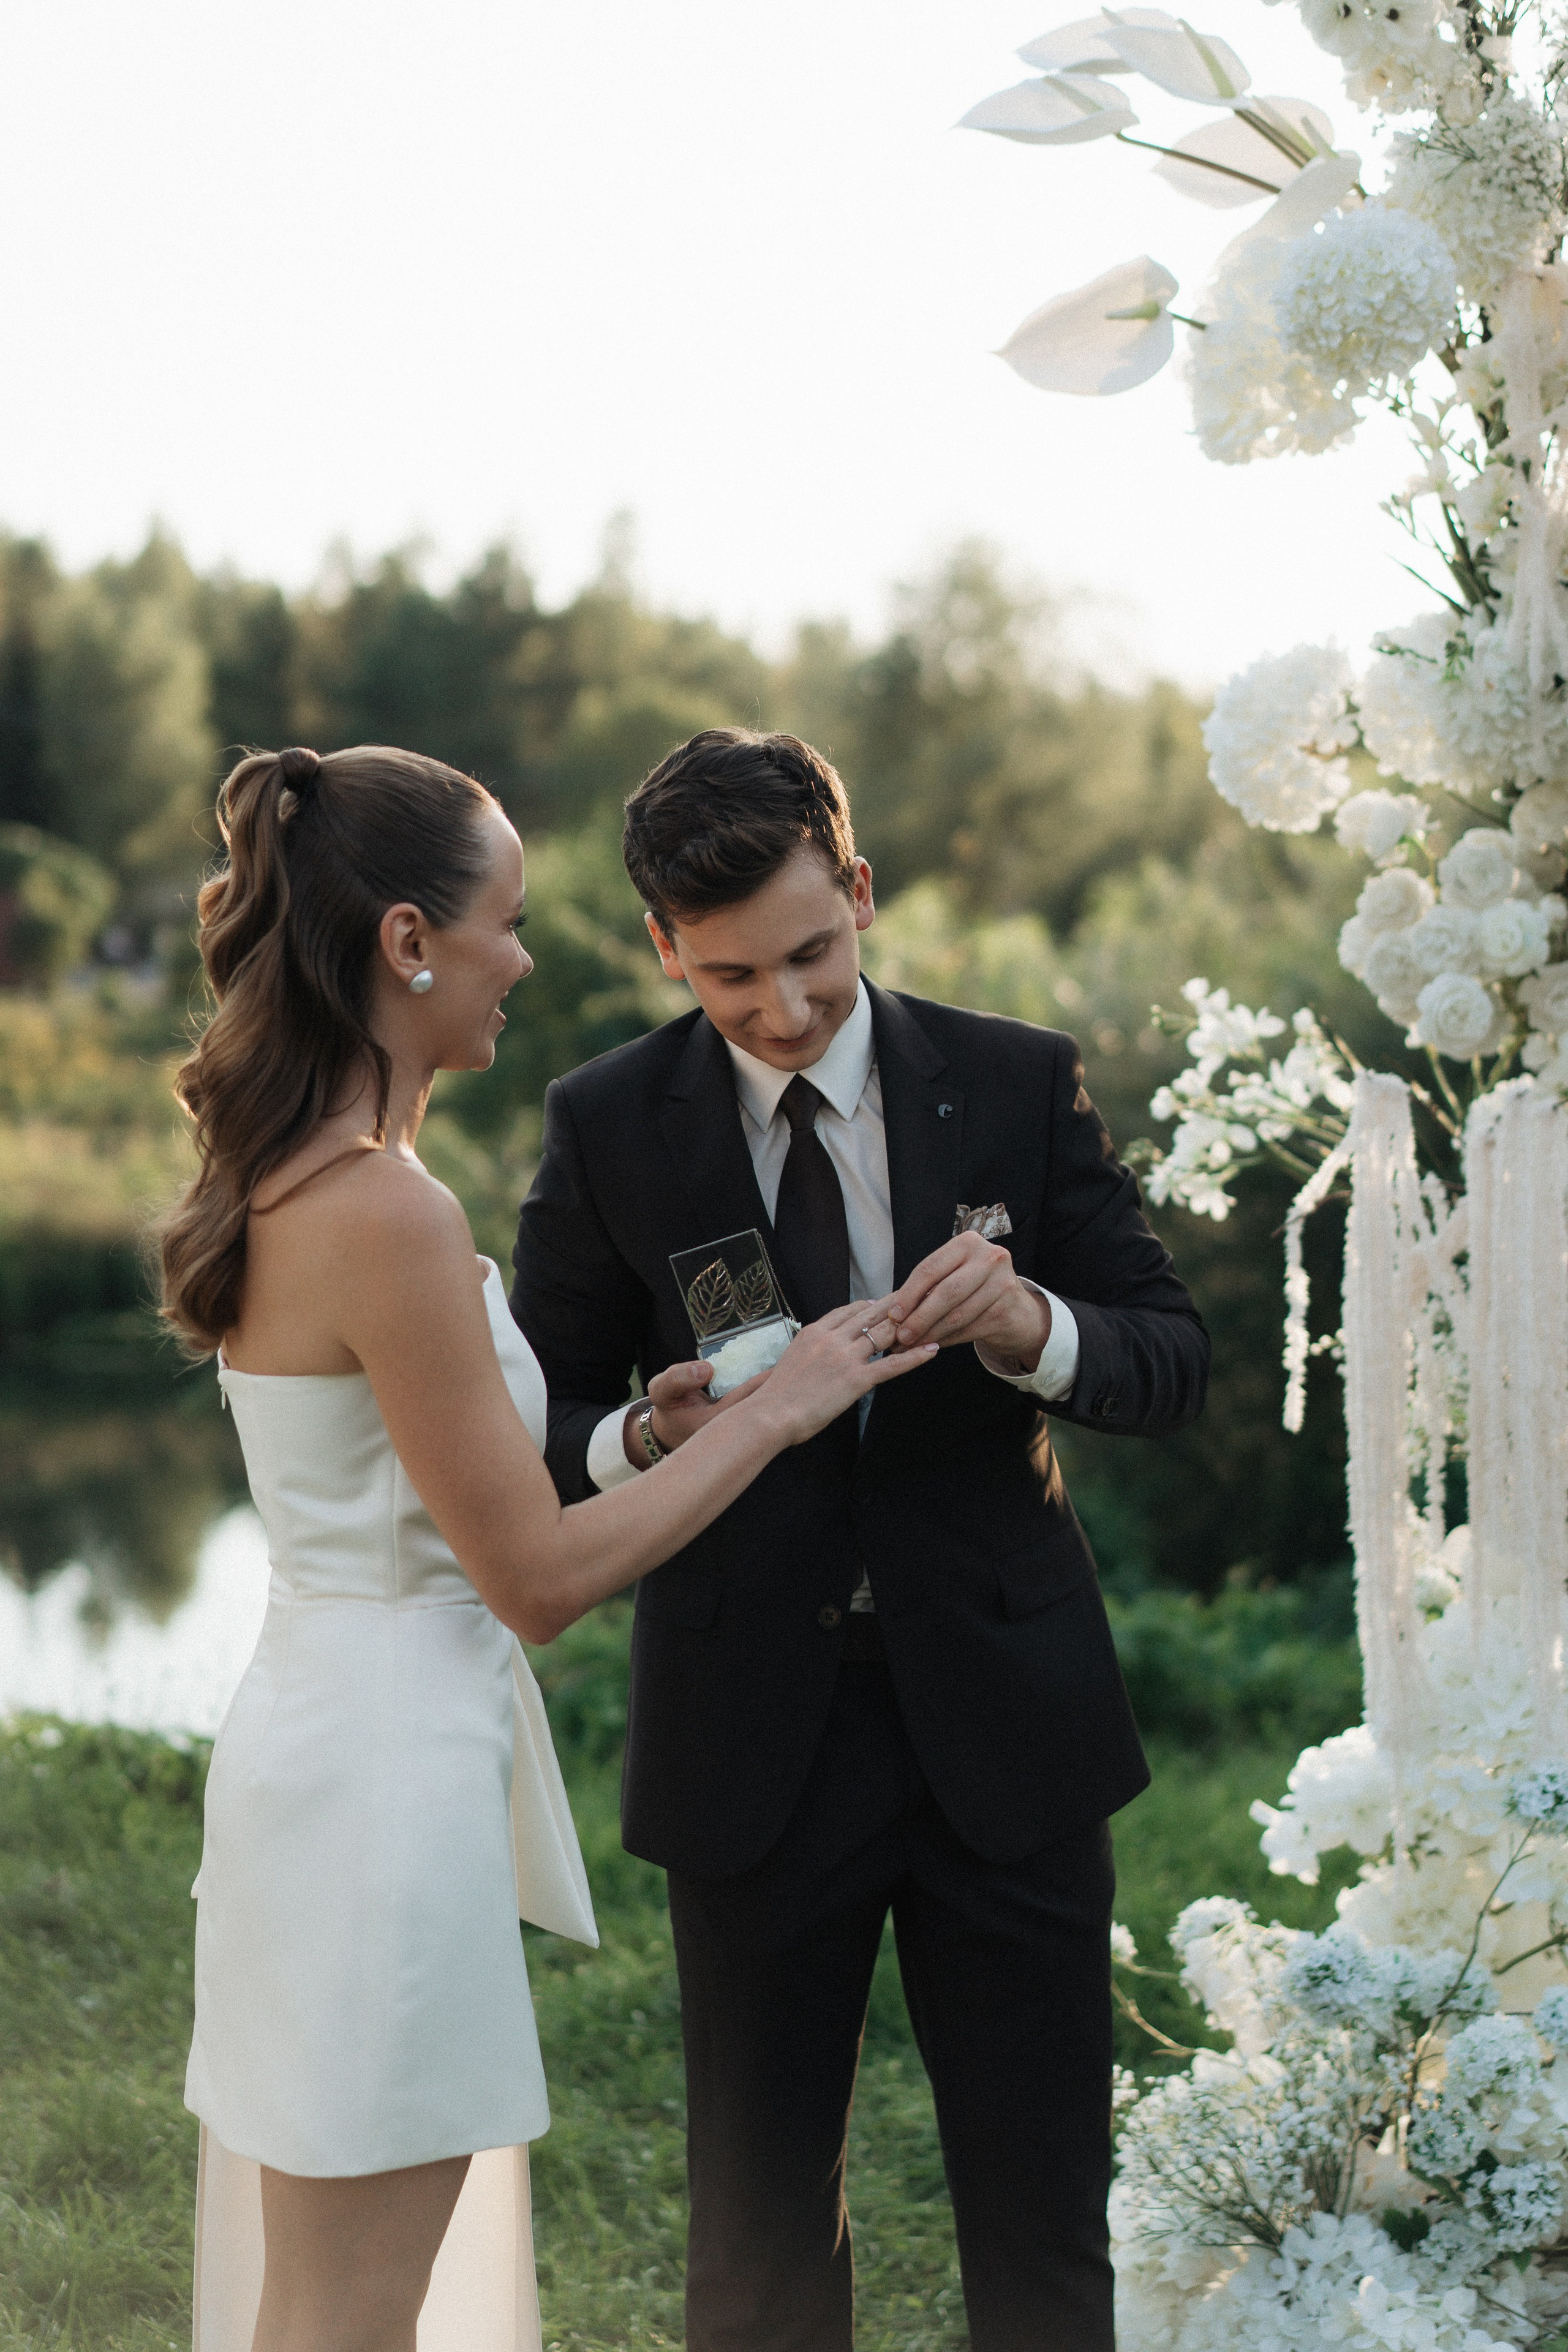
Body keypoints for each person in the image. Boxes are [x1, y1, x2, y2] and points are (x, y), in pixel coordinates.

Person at [159, 742, 933, 2352]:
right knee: (351, 2317)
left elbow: (446, 1496)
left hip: (334, 1754)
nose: (525, 955)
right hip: (380, 1800)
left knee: (321, 2304)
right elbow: (540, 1581)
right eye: (504, 921)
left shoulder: (325, 1180)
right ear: (406, 942)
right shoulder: (388, 1213)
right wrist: (773, 1414)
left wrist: (654, 1430)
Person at [510, 727, 1210, 2352]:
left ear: (865, 895)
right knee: (756, 2255)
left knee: (1045, 2232)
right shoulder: (609, 1122)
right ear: (663, 947)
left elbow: (1168, 1358)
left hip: (1009, 1727)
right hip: (751, 1736)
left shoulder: (1019, 1079)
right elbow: (533, 1445)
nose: (784, 1008)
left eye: (813, 954)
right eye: (732, 975)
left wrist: (1035, 1321)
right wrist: (644, 1435)